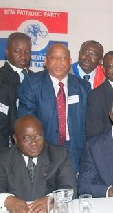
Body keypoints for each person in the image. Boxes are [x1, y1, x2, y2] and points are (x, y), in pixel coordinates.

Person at [0, 115, 75, 213]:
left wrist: (53, 200)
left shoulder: (59, 155)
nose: (34, 143)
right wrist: (8, 201)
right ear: (15, 139)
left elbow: (69, 187)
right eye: (27, 138)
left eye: (38, 137)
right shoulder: (2, 158)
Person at [18, 43, 89, 172]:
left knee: (71, 190)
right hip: (43, 149)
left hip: (75, 151)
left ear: (70, 62)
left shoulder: (83, 86)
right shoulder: (32, 84)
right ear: (45, 61)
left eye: (63, 58)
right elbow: (25, 119)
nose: (59, 62)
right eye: (54, 58)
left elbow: (88, 123)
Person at [86, 51, 113, 138]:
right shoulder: (96, 95)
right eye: (111, 66)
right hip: (109, 147)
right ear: (104, 69)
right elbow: (94, 133)